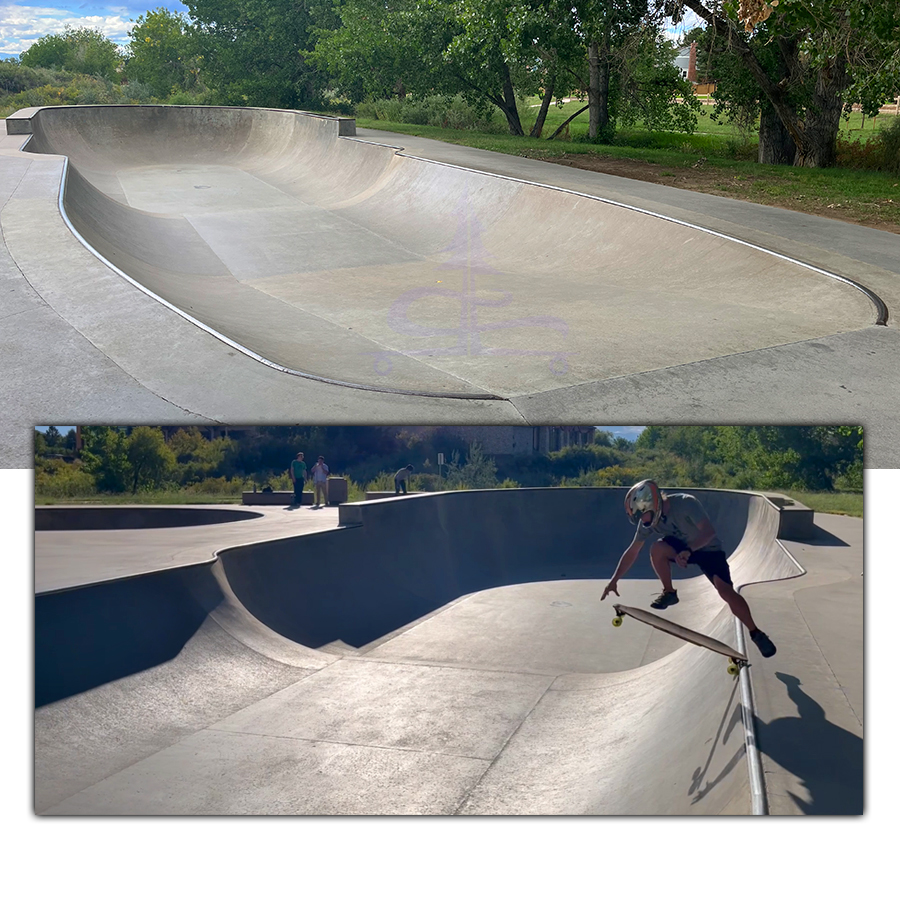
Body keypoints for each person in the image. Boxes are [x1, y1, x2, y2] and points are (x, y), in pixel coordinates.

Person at [600, 479, 777, 658]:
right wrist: (614, 580)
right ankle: (669, 593)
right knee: (657, 549)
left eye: (642, 515)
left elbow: (709, 532)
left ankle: (756, 633)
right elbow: (633, 550)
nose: (643, 522)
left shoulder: (686, 504)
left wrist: (689, 550)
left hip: (708, 549)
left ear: (651, 504)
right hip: (681, 548)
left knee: (726, 592)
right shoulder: (649, 521)